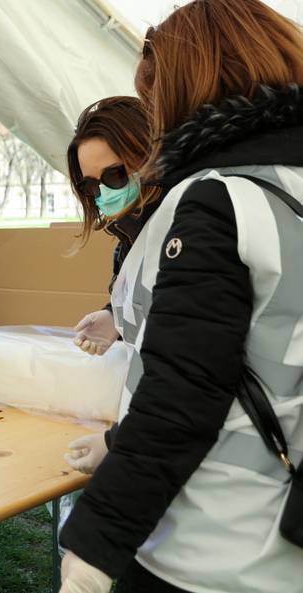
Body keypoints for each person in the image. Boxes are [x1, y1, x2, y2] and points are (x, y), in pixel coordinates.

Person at [58, 1, 303, 592]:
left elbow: (182, 394)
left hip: (212, 544)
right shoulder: (286, 182)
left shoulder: (217, 199)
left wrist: (93, 546)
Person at [62, 96, 153, 472]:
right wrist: (113, 317)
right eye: (91, 185)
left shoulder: (185, 228)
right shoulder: (128, 236)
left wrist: (121, 443)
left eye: (115, 174)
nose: (104, 193)